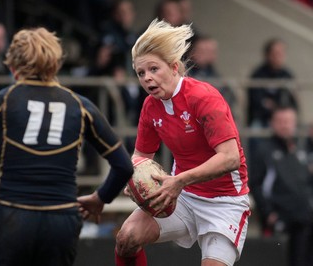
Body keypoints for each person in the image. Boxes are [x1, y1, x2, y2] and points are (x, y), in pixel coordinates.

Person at [0, 27, 134, 265]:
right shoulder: (81, 106)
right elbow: (123, 166)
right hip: (61, 221)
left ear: (12, 65)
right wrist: (101, 197)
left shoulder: (0, 101)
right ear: (55, 63)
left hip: (12, 215)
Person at [114, 19, 251, 266]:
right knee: (127, 238)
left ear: (174, 67)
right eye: (141, 73)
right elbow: (141, 156)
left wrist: (179, 180)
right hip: (183, 195)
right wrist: (132, 177)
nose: (147, 78)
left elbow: (230, 158)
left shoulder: (203, 97)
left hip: (224, 201)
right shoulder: (150, 105)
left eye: (154, 69)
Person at [249, 106, 313, 266]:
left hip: (306, 220)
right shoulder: (263, 151)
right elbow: (255, 184)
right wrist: (269, 213)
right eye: (281, 121)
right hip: (281, 222)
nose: (285, 125)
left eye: (289, 121)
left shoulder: (301, 150)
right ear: (272, 123)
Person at [247, 38, 298, 128]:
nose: (279, 56)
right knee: (256, 128)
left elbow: (293, 102)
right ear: (268, 55)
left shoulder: (287, 75)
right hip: (262, 119)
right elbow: (258, 103)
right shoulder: (258, 75)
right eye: (276, 53)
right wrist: (275, 109)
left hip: (282, 118)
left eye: (282, 53)